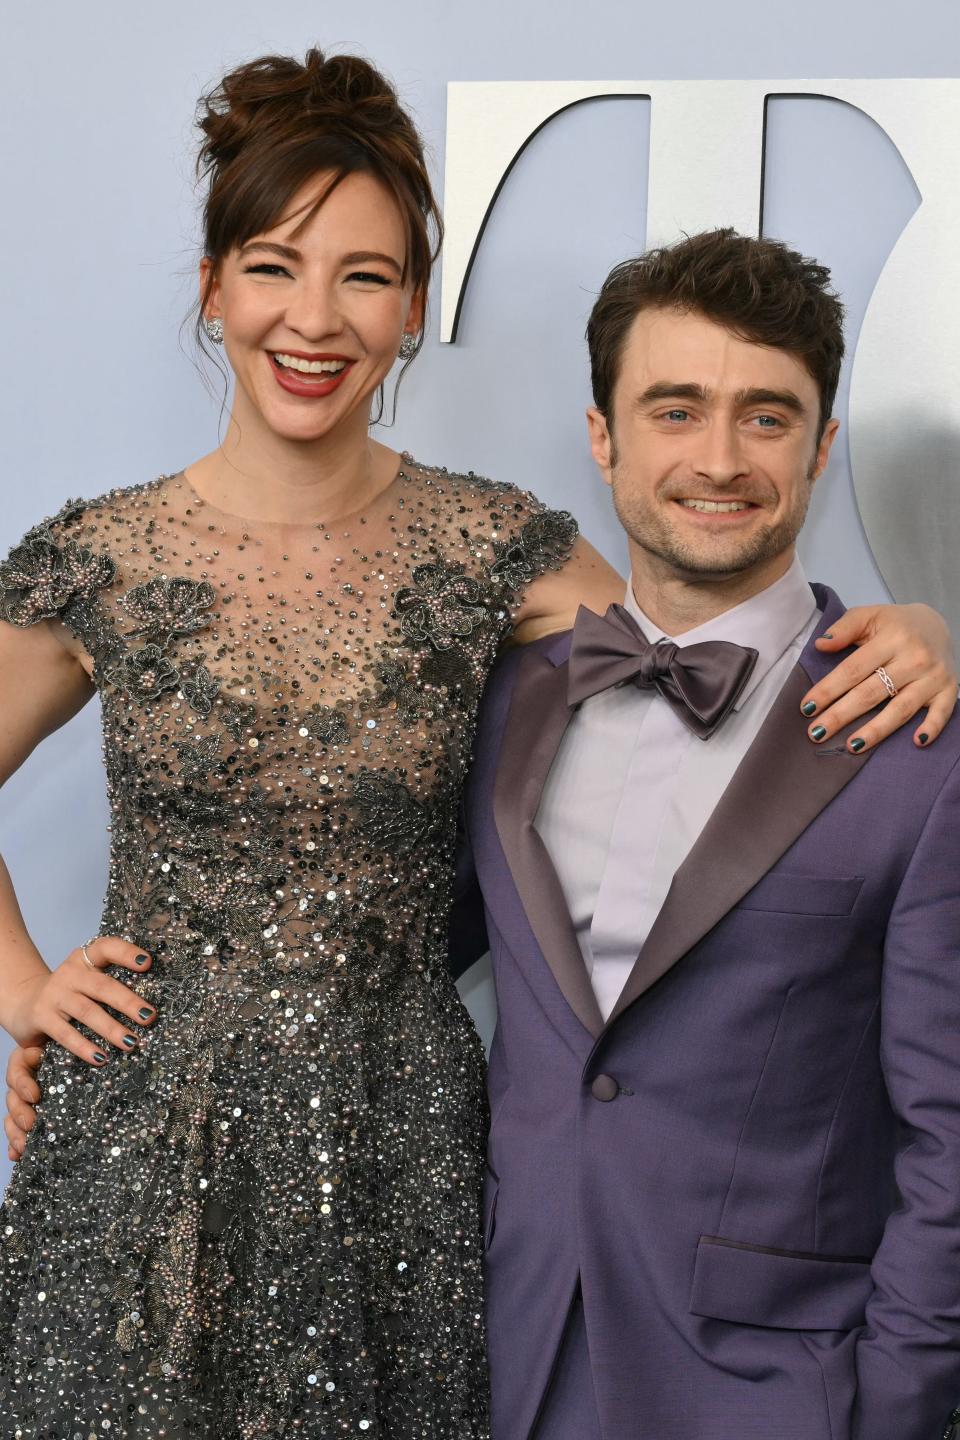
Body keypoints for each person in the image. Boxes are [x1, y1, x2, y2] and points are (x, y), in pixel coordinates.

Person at [0, 52, 954, 1440]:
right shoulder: (102, 559)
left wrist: (928, 631)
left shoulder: (493, 553)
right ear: (213, 289)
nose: (314, 318)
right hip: (145, 1151)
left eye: (368, 275)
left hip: (404, 1159)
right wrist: (22, 987)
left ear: (412, 308)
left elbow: (704, 616)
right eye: (273, 265)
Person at [449, 229, 960, 1440]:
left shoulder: (921, 746)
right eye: (675, 409)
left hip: (780, 1396)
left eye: (767, 417)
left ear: (823, 446)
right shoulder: (501, 706)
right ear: (602, 435)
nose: (719, 459)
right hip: (502, 1368)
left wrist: (888, 1411)